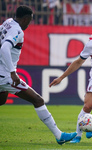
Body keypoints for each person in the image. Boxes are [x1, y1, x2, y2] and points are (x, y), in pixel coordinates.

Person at [0, 5, 77, 145]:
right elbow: (5, 47)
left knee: (1, 100)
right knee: (38, 100)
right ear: (25, 19)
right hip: (4, 75)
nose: (29, 24)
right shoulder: (17, 30)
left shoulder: (8, 22)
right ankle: (59, 135)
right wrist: (12, 72)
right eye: (29, 21)